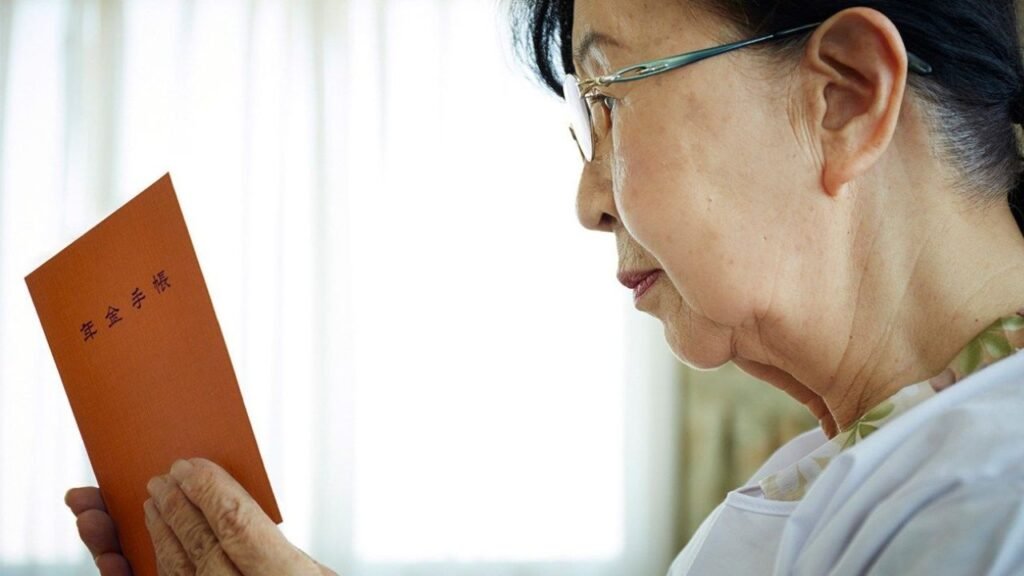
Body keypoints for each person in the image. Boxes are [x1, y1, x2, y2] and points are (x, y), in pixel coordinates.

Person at [66, 0, 1024, 574]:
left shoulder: (992, 496)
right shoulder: (878, 461)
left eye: (610, 101)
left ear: (845, 97)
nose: (587, 201)